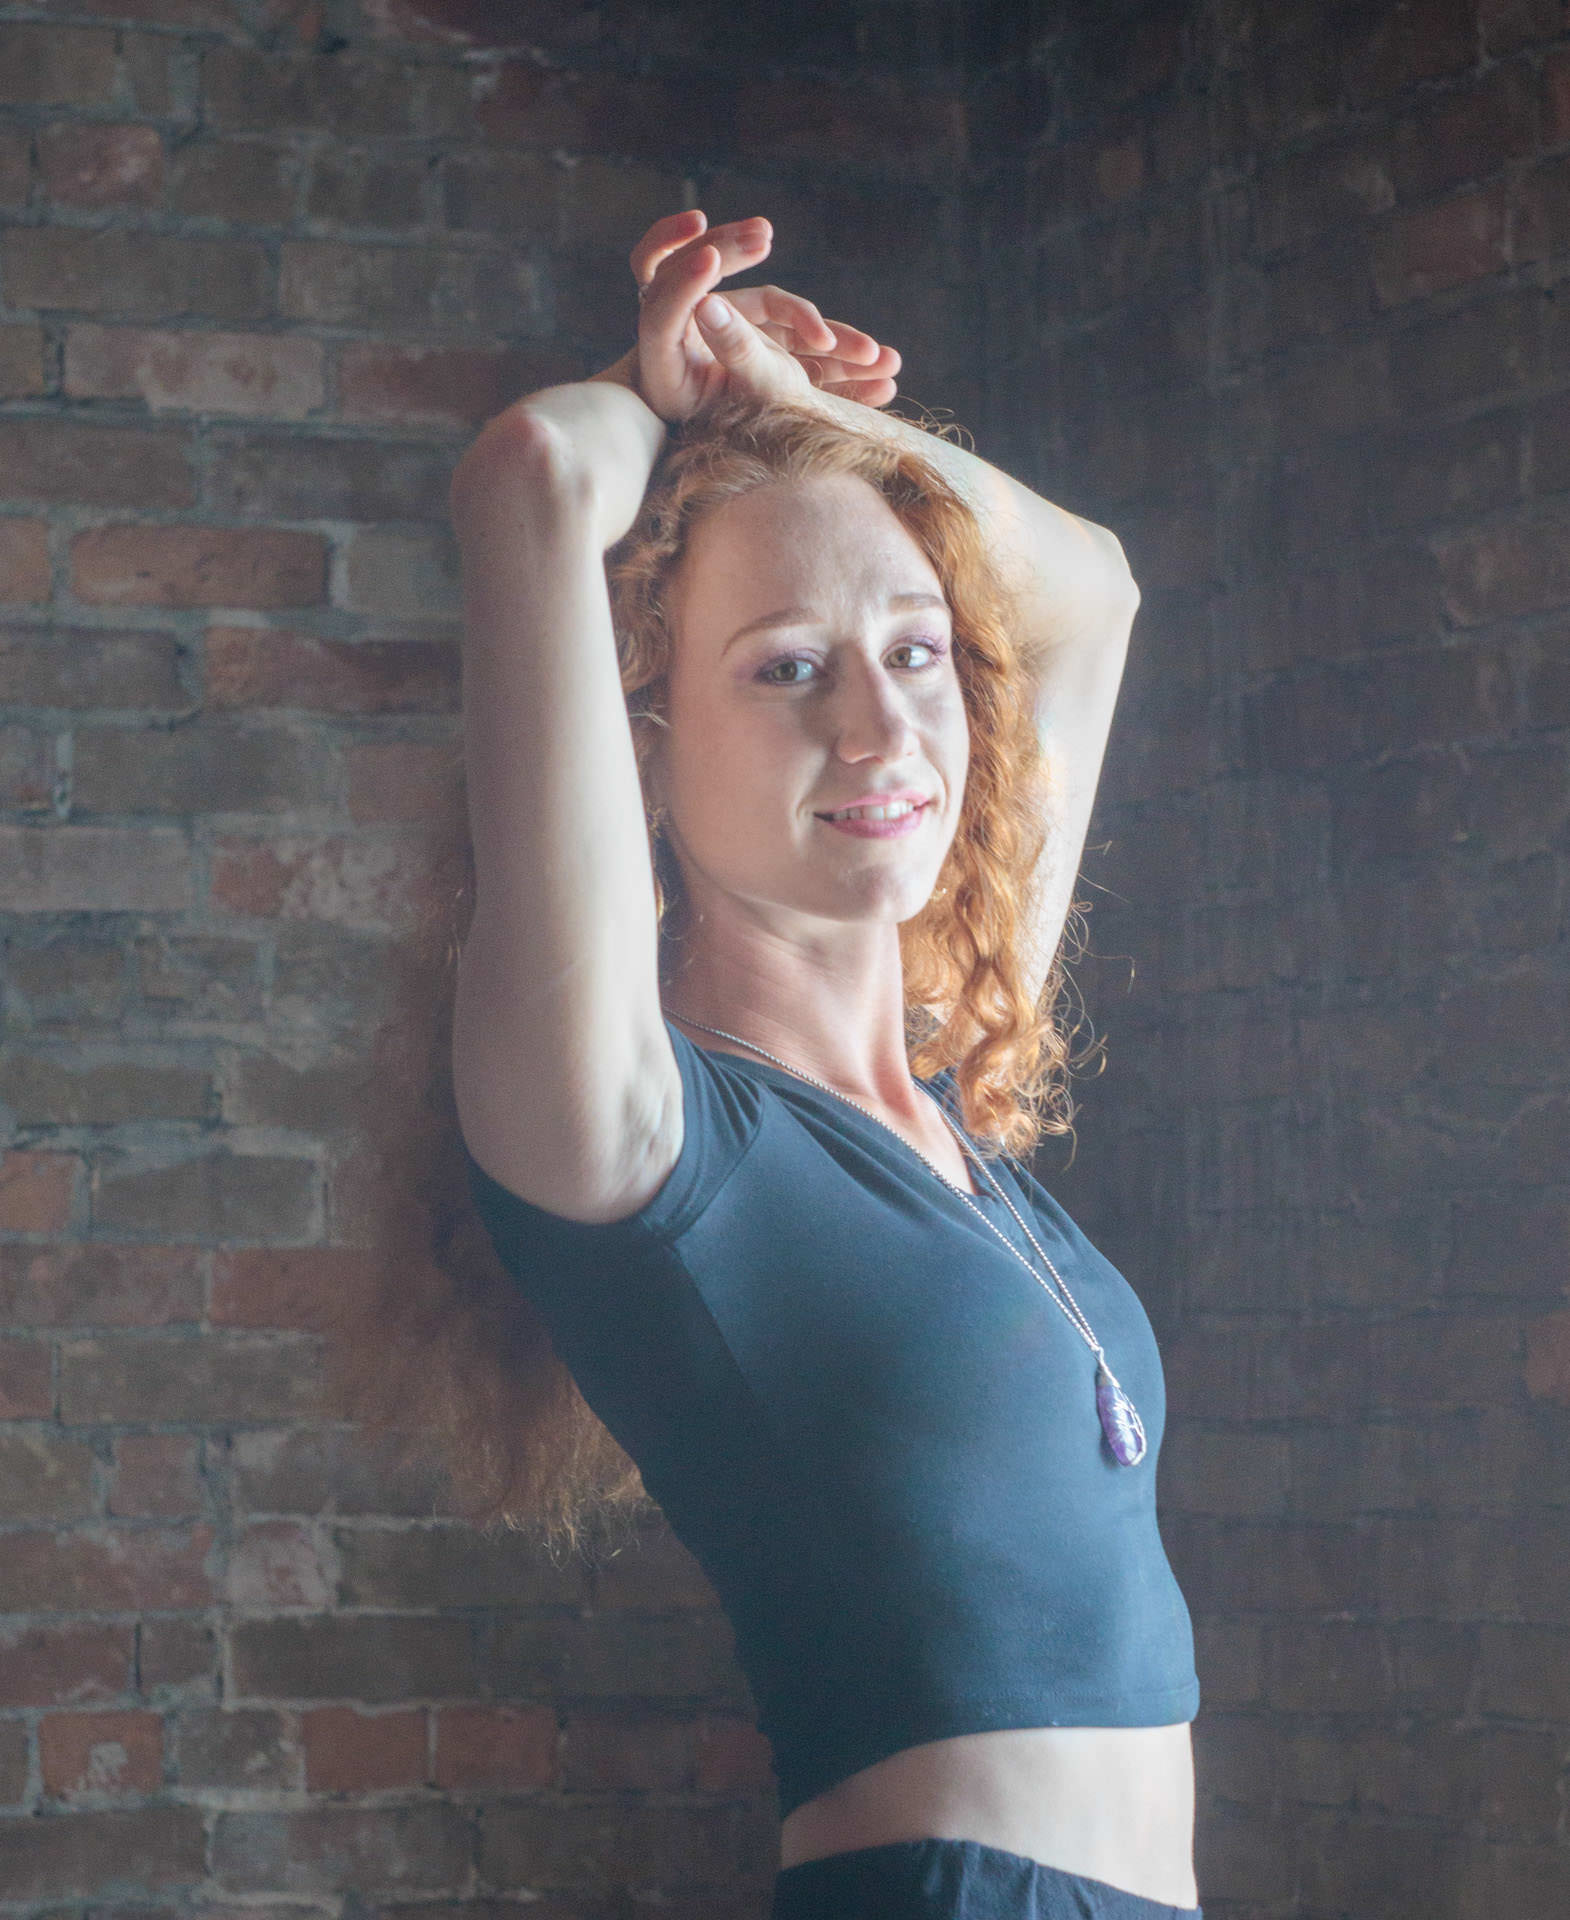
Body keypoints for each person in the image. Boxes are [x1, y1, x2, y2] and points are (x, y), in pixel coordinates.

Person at [445, 208, 1202, 1920]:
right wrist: (675, 396)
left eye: (915, 652)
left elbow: (1094, 592)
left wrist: (798, 405)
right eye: (784, 671)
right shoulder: (631, 1128)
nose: (877, 729)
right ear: (640, 736)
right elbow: (531, 479)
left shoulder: (937, 1089)